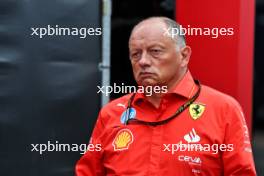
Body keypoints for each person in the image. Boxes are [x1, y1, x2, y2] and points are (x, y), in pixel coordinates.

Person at [75, 17, 256, 175]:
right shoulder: (112, 113)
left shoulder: (223, 109)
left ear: (184, 56)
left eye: (155, 51)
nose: (143, 61)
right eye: (135, 54)